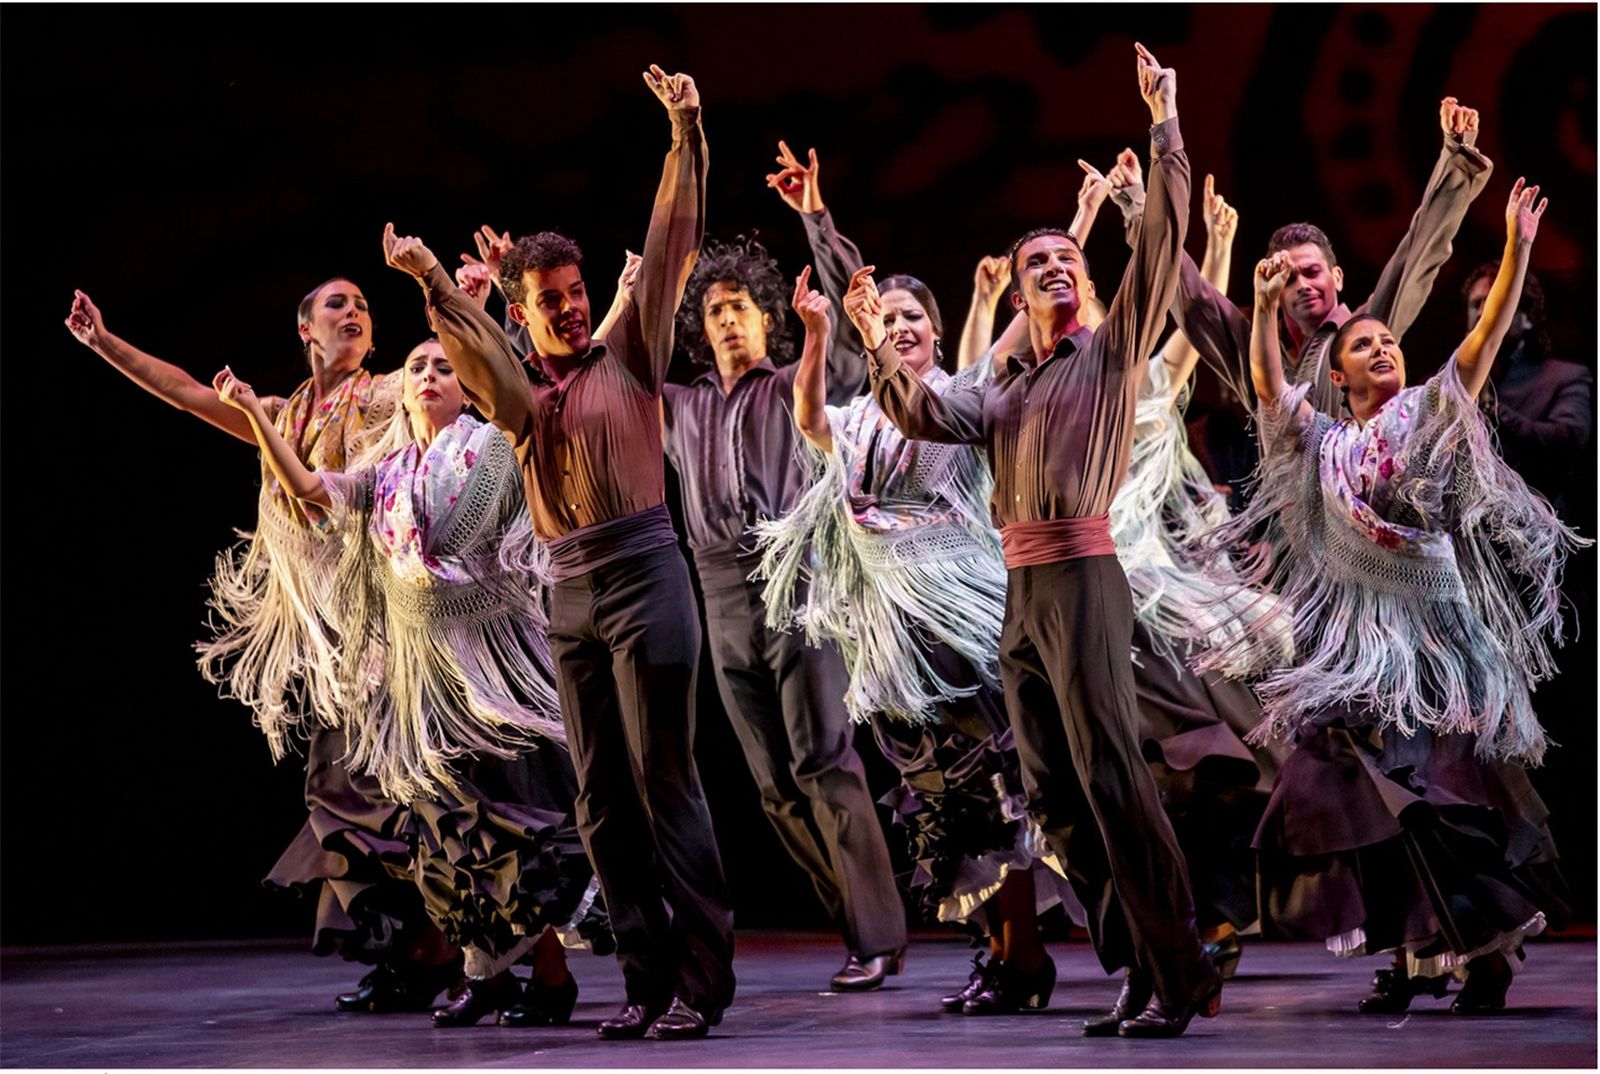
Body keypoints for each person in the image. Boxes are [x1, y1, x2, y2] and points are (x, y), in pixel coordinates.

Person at [862, 45, 1221, 1039]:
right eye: (1036, 265)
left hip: (1084, 574)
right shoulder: (1000, 388)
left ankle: (1177, 964)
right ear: (1017, 295)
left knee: (1111, 776)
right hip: (1023, 590)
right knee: (1052, 794)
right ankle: (1136, 967)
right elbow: (921, 412)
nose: (1056, 265)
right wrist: (876, 343)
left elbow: (1160, 240)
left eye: (1065, 257)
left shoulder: (1108, 353)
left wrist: (1164, 122)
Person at [377, 65, 734, 1042]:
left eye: (578, 292)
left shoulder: (632, 355)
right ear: (526, 313)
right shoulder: (523, 402)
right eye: (552, 300)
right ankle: (643, 982)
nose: (573, 308)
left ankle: (700, 984)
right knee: (600, 802)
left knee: (665, 782)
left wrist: (685, 133)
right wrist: (436, 283)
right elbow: (484, 364)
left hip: (647, 576)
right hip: (569, 595)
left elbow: (672, 239)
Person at [1199, 176, 1580, 1015]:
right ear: (1338, 373)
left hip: (1435, 642)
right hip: (1362, 644)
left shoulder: (1429, 409)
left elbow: (1479, 339)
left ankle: (1483, 953)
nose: (1382, 350)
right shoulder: (1327, 439)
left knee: (1443, 801)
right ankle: (1419, 951)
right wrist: (1261, 309)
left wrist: (1517, 246)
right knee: (1360, 788)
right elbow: (1267, 388)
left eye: (1388, 342)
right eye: (1364, 347)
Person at [64, 283, 461, 1011]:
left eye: (364, 307)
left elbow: (456, 375)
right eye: (337, 304)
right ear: (306, 328)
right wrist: (105, 344)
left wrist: (464, 303)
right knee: (348, 796)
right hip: (332, 637)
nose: (354, 312)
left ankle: (442, 952)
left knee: (377, 793)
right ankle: (421, 951)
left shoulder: (384, 394)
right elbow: (186, 393)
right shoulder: (280, 413)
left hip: (392, 625)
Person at [213, 341, 607, 1027]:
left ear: (469, 387)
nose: (428, 375)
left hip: (493, 674)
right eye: (419, 366)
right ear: (402, 393)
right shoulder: (387, 473)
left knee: (504, 830)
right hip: (423, 685)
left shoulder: (492, 449)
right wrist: (253, 414)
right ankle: (499, 973)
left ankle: (546, 973)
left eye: (445, 367)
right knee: (448, 838)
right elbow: (311, 491)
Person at [661, 173, 906, 994]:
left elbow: (851, 305)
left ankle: (876, 935)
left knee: (823, 760)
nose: (728, 318)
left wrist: (815, 218)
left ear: (767, 317)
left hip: (800, 581)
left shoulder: (805, 381)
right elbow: (585, 384)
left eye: (741, 306)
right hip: (719, 595)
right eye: (715, 309)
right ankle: (858, 923)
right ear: (700, 327)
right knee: (772, 786)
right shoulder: (681, 406)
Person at [1069, 164, 1290, 978]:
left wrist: (1217, 247)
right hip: (1086, 597)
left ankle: (1211, 918)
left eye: (1096, 308)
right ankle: (1170, 924)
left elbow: (1181, 344)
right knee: (1134, 775)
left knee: (1200, 760)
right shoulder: (1047, 395)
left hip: (1154, 592)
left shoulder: (1140, 389)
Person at [1116, 96, 1493, 418]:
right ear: (1275, 290)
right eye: (1290, 277)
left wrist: (1456, 159)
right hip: (1283, 504)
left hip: (1361, 504)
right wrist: (1138, 206)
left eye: (1312, 272)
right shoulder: (1259, 358)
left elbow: (1419, 252)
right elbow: (1189, 294)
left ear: (1337, 277)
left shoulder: (1366, 330)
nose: (1304, 285)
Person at [1461, 265, 1593, 523]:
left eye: (1494, 303)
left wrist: (1493, 409)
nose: (1482, 314)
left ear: (1528, 316)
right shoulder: (1444, 384)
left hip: (1531, 536)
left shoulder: (1564, 376)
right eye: (1475, 304)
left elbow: (1568, 440)